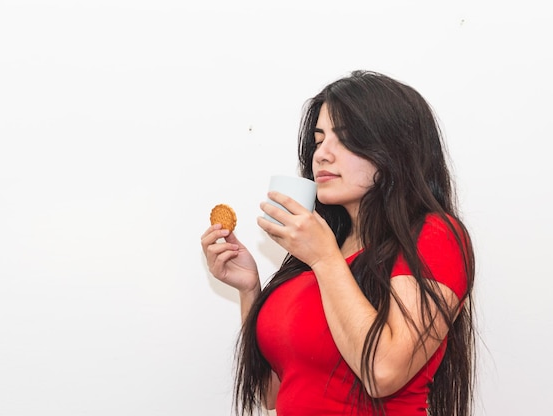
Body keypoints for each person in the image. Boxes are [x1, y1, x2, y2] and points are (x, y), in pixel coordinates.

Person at [200, 70, 476, 416]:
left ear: (394, 148)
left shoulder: (435, 235)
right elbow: (271, 394)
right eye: (319, 140)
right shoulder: (320, 253)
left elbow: (382, 373)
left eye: (344, 138)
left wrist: (325, 259)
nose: (321, 155)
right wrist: (249, 289)